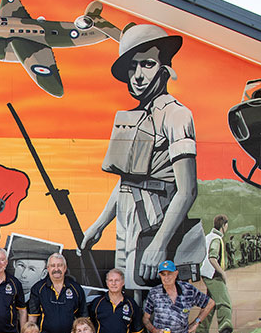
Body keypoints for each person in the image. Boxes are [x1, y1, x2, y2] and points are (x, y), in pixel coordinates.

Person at [80, 24, 205, 289]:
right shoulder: (135, 117)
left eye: (147, 64)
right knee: (129, 295)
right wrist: (100, 224)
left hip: (155, 223)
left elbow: (187, 190)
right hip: (128, 223)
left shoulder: (176, 115)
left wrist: (160, 242)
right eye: (133, 66)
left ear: (165, 68)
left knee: (154, 299)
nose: (137, 75)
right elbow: (127, 182)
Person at [27, 253, 86, 333]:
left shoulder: (76, 289)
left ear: (65, 268)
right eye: (53, 266)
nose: (56, 269)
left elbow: (84, 319)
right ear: (48, 268)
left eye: (60, 265)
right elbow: (32, 319)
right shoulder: (38, 289)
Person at [197, 214, 239, 333]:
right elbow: (212, 258)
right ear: (224, 225)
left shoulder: (209, 237)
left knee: (211, 305)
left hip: (207, 274)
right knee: (225, 304)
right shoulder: (216, 239)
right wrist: (223, 273)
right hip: (214, 275)